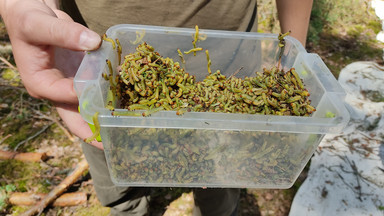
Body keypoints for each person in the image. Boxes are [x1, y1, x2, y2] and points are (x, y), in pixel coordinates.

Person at [0, 0, 313, 215]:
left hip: (234, 74)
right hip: (107, 82)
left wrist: (292, 53)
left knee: (220, 186)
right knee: (121, 188)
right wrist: (22, 5)